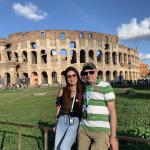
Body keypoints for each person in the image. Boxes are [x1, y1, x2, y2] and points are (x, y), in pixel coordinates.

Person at [78, 62, 118, 150]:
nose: (88, 75)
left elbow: (112, 111)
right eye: (85, 73)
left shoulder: (106, 86)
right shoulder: (83, 87)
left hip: (101, 130)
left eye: (91, 72)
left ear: (96, 72)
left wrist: (113, 135)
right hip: (84, 128)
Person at [54, 66, 84, 150]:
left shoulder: (83, 90)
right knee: (57, 147)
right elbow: (58, 107)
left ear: (77, 76)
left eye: (74, 75)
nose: (72, 78)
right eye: (69, 76)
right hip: (62, 120)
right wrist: (56, 122)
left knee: (64, 147)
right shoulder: (63, 90)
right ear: (66, 79)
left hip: (75, 121)